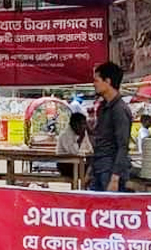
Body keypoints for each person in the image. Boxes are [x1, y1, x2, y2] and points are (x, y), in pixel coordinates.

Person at [91, 61, 132, 192]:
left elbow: (123, 146)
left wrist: (115, 178)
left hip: (111, 169)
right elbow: (100, 140)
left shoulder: (119, 110)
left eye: (96, 80)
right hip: (99, 166)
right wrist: (90, 170)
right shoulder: (103, 108)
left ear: (107, 81)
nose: (94, 84)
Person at [56, 112, 92, 181]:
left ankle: (86, 184)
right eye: (82, 124)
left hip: (77, 163)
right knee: (92, 170)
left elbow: (90, 149)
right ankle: (84, 185)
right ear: (74, 124)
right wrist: (80, 140)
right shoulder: (65, 135)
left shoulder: (82, 133)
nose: (84, 127)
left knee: (94, 166)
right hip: (66, 165)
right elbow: (74, 153)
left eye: (85, 124)